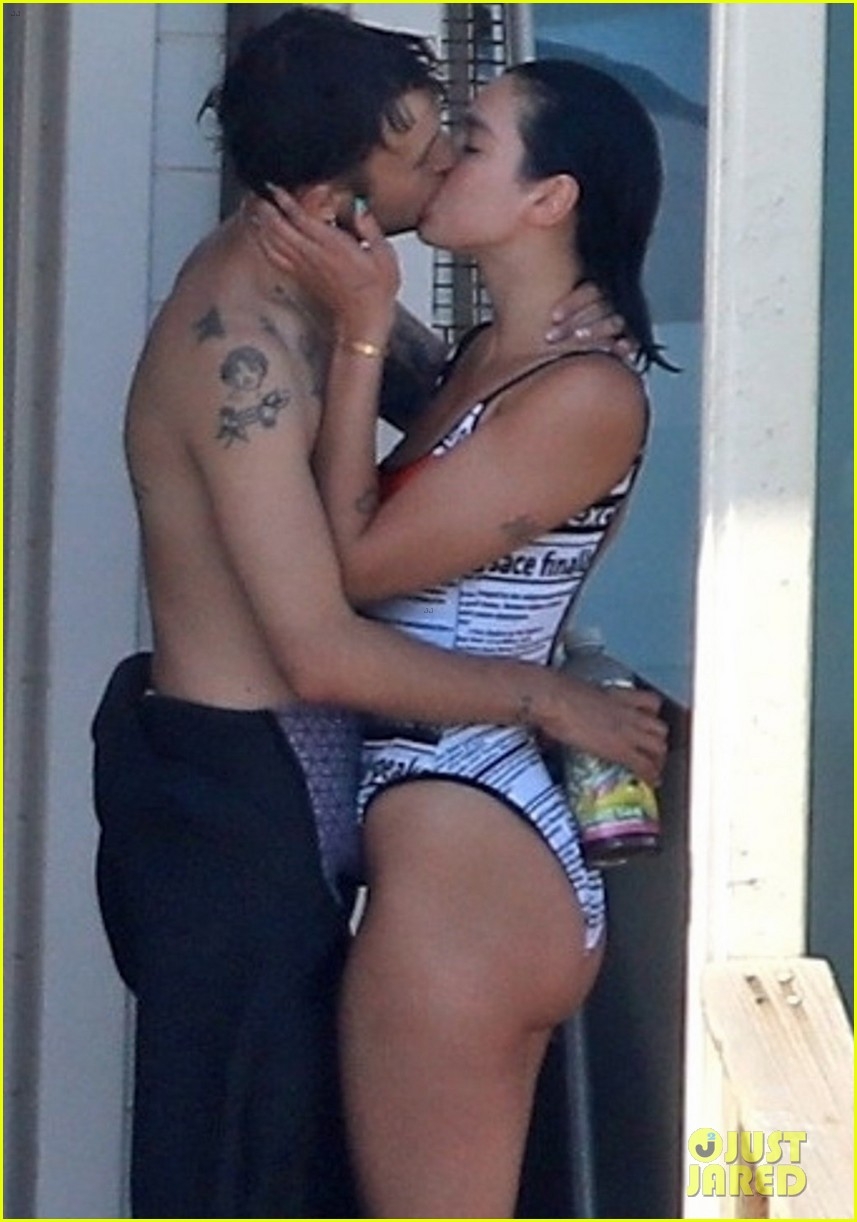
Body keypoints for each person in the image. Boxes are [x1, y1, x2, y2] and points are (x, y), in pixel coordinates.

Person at [91, 8, 667, 1219]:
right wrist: (546, 697)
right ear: (334, 194)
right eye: (424, 147)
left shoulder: (332, 306)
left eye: (464, 140)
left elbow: (482, 425)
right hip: (240, 794)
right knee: (238, 1182)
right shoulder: (244, 343)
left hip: (383, 812)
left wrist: (567, 327)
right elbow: (319, 640)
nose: (443, 161)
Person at [251, 54, 671, 1219]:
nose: (440, 159)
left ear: (550, 198)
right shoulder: (491, 354)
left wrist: (358, 336)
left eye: (472, 143)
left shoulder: (583, 392)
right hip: (452, 823)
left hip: (469, 849)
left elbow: (352, 566)